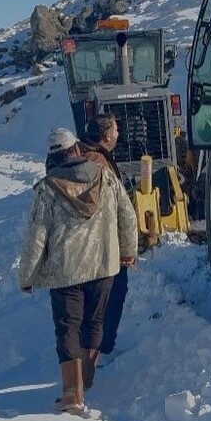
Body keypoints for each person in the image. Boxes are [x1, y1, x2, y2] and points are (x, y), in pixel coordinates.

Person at [19, 127, 137, 416]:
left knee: (67, 327)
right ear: (75, 149)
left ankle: (73, 394)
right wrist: (127, 251)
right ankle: (88, 377)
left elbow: (36, 236)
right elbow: (127, 214)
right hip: (103, 266)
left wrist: (27, 276)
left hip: (65, 272)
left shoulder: (48, 188)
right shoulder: (105, 175)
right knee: (94, 322)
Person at [79, 114, 129, 388]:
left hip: (91, 241)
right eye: (116, 129)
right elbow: (112, 206)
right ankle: (100, 351)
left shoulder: (86, 155)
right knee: (110, 293)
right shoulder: (98, 163)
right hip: (102, 242)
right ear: (106, 135)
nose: (119, 134)